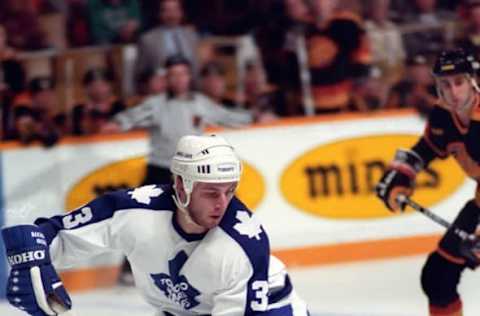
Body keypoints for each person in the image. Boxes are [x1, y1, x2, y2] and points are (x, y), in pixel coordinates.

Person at [2, 134, 309, 316]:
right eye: (211, 192)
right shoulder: (132, 210)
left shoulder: (242, 246)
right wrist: (29, 254)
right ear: (180, 184)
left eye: (230, 191)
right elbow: (51, 235)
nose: (222, 204)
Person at [376, 48, 480, 316]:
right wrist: (402, 173)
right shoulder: (443, 116)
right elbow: (426, 148)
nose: (453, 92)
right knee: (438, 279)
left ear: (472, 81)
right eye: (445, 84)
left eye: (459, 82)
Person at [101, 55, 255, 186]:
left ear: (189, 76)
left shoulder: (200, 102)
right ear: (167, 78)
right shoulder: (156, 104)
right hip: (161, 169)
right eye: (173, 74)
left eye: (183, 74)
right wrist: (117, 123)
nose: (179, 79)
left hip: (192, 168)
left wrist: (254, 117)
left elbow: (226, 116)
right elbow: (133, 116)